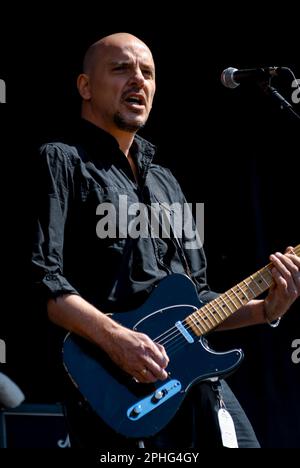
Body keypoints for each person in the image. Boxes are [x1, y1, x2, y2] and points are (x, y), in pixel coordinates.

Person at [31, 32, 300, 449]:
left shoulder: (166, 182)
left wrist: (265, 309)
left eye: (148, 73)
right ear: (85, 86)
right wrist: (117, 340)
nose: (138, 80)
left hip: (194, 378)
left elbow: (199, 299)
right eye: (121, 69)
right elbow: (42, 278)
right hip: (116, 385)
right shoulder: (60, 160)